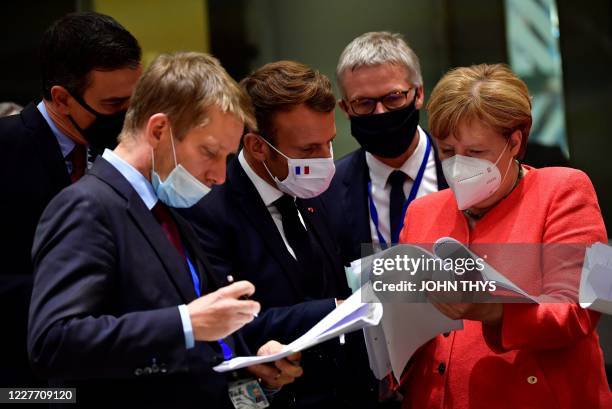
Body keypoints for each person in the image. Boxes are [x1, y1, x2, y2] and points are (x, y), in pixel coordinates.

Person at [28, 52, 305, 408]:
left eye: (226, 158)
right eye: (210, 152)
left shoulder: (171, 210)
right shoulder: (87, 206)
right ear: (159, 130)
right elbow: (53, 342)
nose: (220, 176)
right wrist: (186, 322)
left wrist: (252, 370)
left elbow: (197, 355)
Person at [398, 63, 611, 408]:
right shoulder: (423, 212)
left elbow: (585, 308)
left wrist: (495, 310)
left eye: (475, 152)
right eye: (448, 151)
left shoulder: (569, 188)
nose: (457, 165)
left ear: (514, 141)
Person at [180, 61, 381, 408]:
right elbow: (228, 326)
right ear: (258, 146)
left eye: (329, 143)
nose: (325, 161)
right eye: (307, 150)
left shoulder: (314, 190)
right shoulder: (208, 210)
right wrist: (337, 310)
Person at [0, 11, 141, 387]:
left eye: (134, 101)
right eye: (114, 105)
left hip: (119, 370)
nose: (128, 118)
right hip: (26, 375)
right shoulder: (6, 148)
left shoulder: (132, 150)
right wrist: (95, 288)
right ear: (61, 98)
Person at [323, 31, 447, 265]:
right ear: (345, 108)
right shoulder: (329, 189)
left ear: (418, 94)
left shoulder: (461, 171)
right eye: (364, 103)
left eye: (393, 98)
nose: (380, 113)